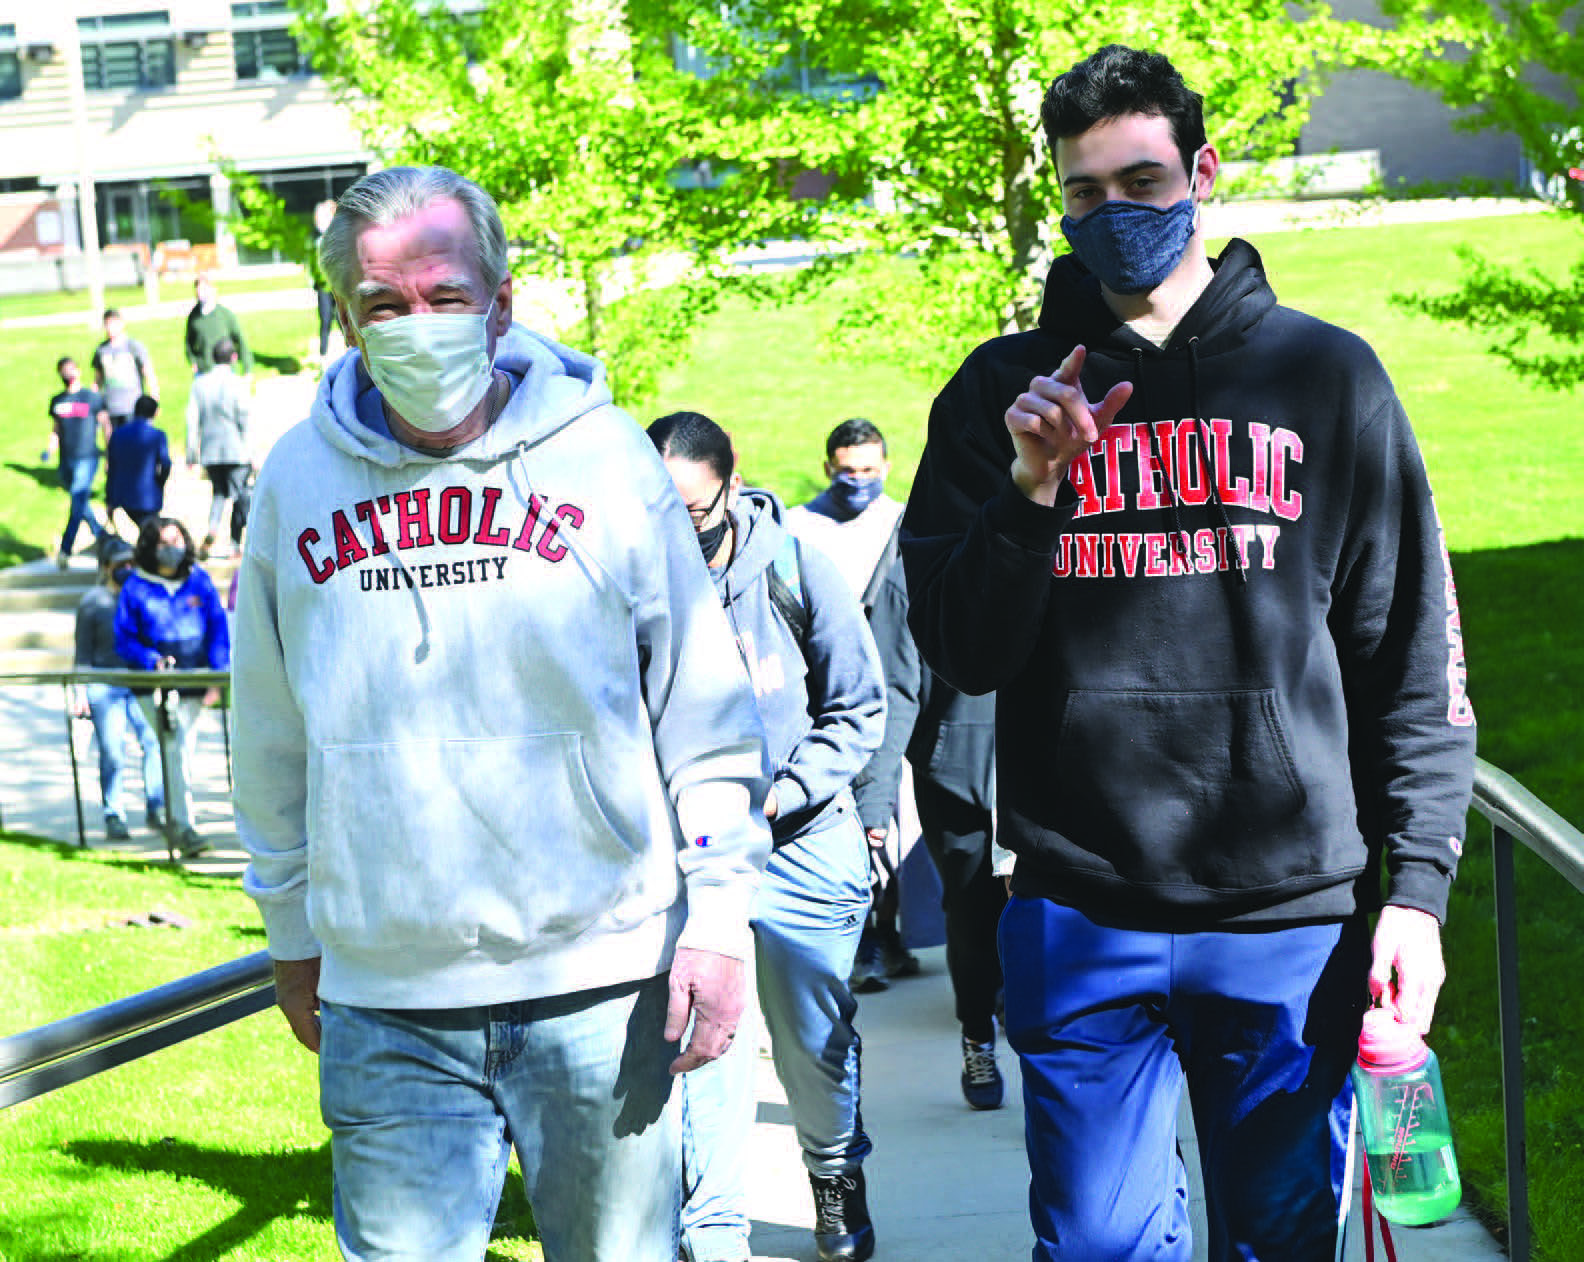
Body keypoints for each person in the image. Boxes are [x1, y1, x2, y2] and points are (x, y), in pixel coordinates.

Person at [901, 45, 1477, 1261]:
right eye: (1085, 192)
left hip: (1287, 915)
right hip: (1078, 902)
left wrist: (1415, 891)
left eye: (1143, 181)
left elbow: (1411, 658)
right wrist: (1027, 497)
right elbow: (957, 643)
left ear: (1203, 174)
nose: (1115, 215)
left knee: (1278, 1240)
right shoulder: (1003, 392)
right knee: (1097, 1245)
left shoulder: (1326, 376)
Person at [230, 165, 772, 1262]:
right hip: (386, 996)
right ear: (347, 318)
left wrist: (719, 918)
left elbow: (702, 712)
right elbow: (270, 734)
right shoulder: (296, 478)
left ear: (503, 304)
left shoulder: (608, 457)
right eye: (383, 304)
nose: (415, 324)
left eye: (444, 295)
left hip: (601, 980)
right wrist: (291, 931)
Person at [648, 411, 886, 1262]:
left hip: (799, 841)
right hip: (691, 853)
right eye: (661, 515)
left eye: (696, 515)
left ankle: (832, 1174)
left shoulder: (794, 567)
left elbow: (858, 709)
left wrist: (785, 793)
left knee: (810, 1039)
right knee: (701, 1036)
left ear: (731, 482)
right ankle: (712, 1230)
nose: (681, 534)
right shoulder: (633, 581)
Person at [852, 556, 1003, 1110]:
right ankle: (977, 1036)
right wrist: (873, 800)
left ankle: (1049, 1058)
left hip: (1044, 767)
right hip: (956, 775)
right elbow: (892, 691)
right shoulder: (908, 573)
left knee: (1052, 919)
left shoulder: (1060, 530)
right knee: (971, 914)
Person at [787, 419, 916, 989]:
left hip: (900, 686)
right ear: (827, 467)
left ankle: (890, 931)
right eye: (847, 470)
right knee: (849, 816)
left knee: (896, 821)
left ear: (885, 467)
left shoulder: (906, 523)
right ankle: (859, 937)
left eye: (867, 470)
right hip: (830, 692)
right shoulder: (801, 528)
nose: (857, 480)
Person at [115, 516, 230, 860]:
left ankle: (175, 816)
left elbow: (217, 628)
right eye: (164, 543)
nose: (172, 548)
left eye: (177, 540)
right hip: (157, 686)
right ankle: (183, 826)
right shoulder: (135, 587)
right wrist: (151, 660)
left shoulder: (200, 582)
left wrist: (217, 676)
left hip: (195, 681)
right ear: (151, 547)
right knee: (174, 750)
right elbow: (124, 639)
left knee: (183, 752)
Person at [74, 537, 165, 840]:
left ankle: (157, 807)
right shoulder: (92, 602)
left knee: (153, 743)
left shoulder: (142, 597)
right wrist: (81, 691)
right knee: (112, 750)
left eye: (131, 564)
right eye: (120, 565)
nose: (127, 569)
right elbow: (82, 654)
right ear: (106, 568)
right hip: (105, 684)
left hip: (141, 682)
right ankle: (114, 813)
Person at [185, 338, 252, 558]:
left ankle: (212, 529)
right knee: (239, 496)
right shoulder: (237, 383)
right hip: (235, 449)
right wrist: (251, 450)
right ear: (233, 357)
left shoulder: (199, 384)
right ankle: (235, 544)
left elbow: (192, 420)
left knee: (219, 494)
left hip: (211, 451)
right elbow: (244, 418)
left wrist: (191, 454)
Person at [45, 355, 111, 568]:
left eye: (71, 369)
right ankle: (101, 536)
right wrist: (49, 449)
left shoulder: (91, 397)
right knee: (80, 501)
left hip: (88, 456)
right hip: (66, 459)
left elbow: (105, 425)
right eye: (64, 370)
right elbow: (55, 429)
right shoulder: (57, 401)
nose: (68, 373)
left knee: (77, 496)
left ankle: (65, 548)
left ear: (78, 371)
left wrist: (110, 453)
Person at [105, 394, 172, 534]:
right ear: (155, 413)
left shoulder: (117, 434)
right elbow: (165, 464)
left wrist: (109, 497)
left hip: (121, 495)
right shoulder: (157, 435)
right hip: (147, 496)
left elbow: (111, 467)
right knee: (151, 533)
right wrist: (160, 483)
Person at [92, 308, 159, 428]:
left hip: (133, 406)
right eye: (107, 324)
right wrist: (94, 404)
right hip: (111, 408)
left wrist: (154, 400)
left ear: (121, 324)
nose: (110, 328)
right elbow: (98, 380)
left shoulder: (133, 346)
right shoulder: (101, 350)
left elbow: (149, 374)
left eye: (113, 323)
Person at [183, 272, 253, 375]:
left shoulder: (225, 314)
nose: (200, 292)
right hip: (204, 371)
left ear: (213, 290)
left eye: (204, 288)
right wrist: (193, 361)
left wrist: (247, 369)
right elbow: (189, 342)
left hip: (225, 371)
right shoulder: (194, 317)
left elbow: (240, 340)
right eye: (198, 288)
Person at [311, 198, 339, 360]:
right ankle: (323, 357)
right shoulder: (316, 241)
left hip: (338, 285)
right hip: (323, 287)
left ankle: (353, 355)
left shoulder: (336, 238)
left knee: (344, 322)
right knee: (325, 320)